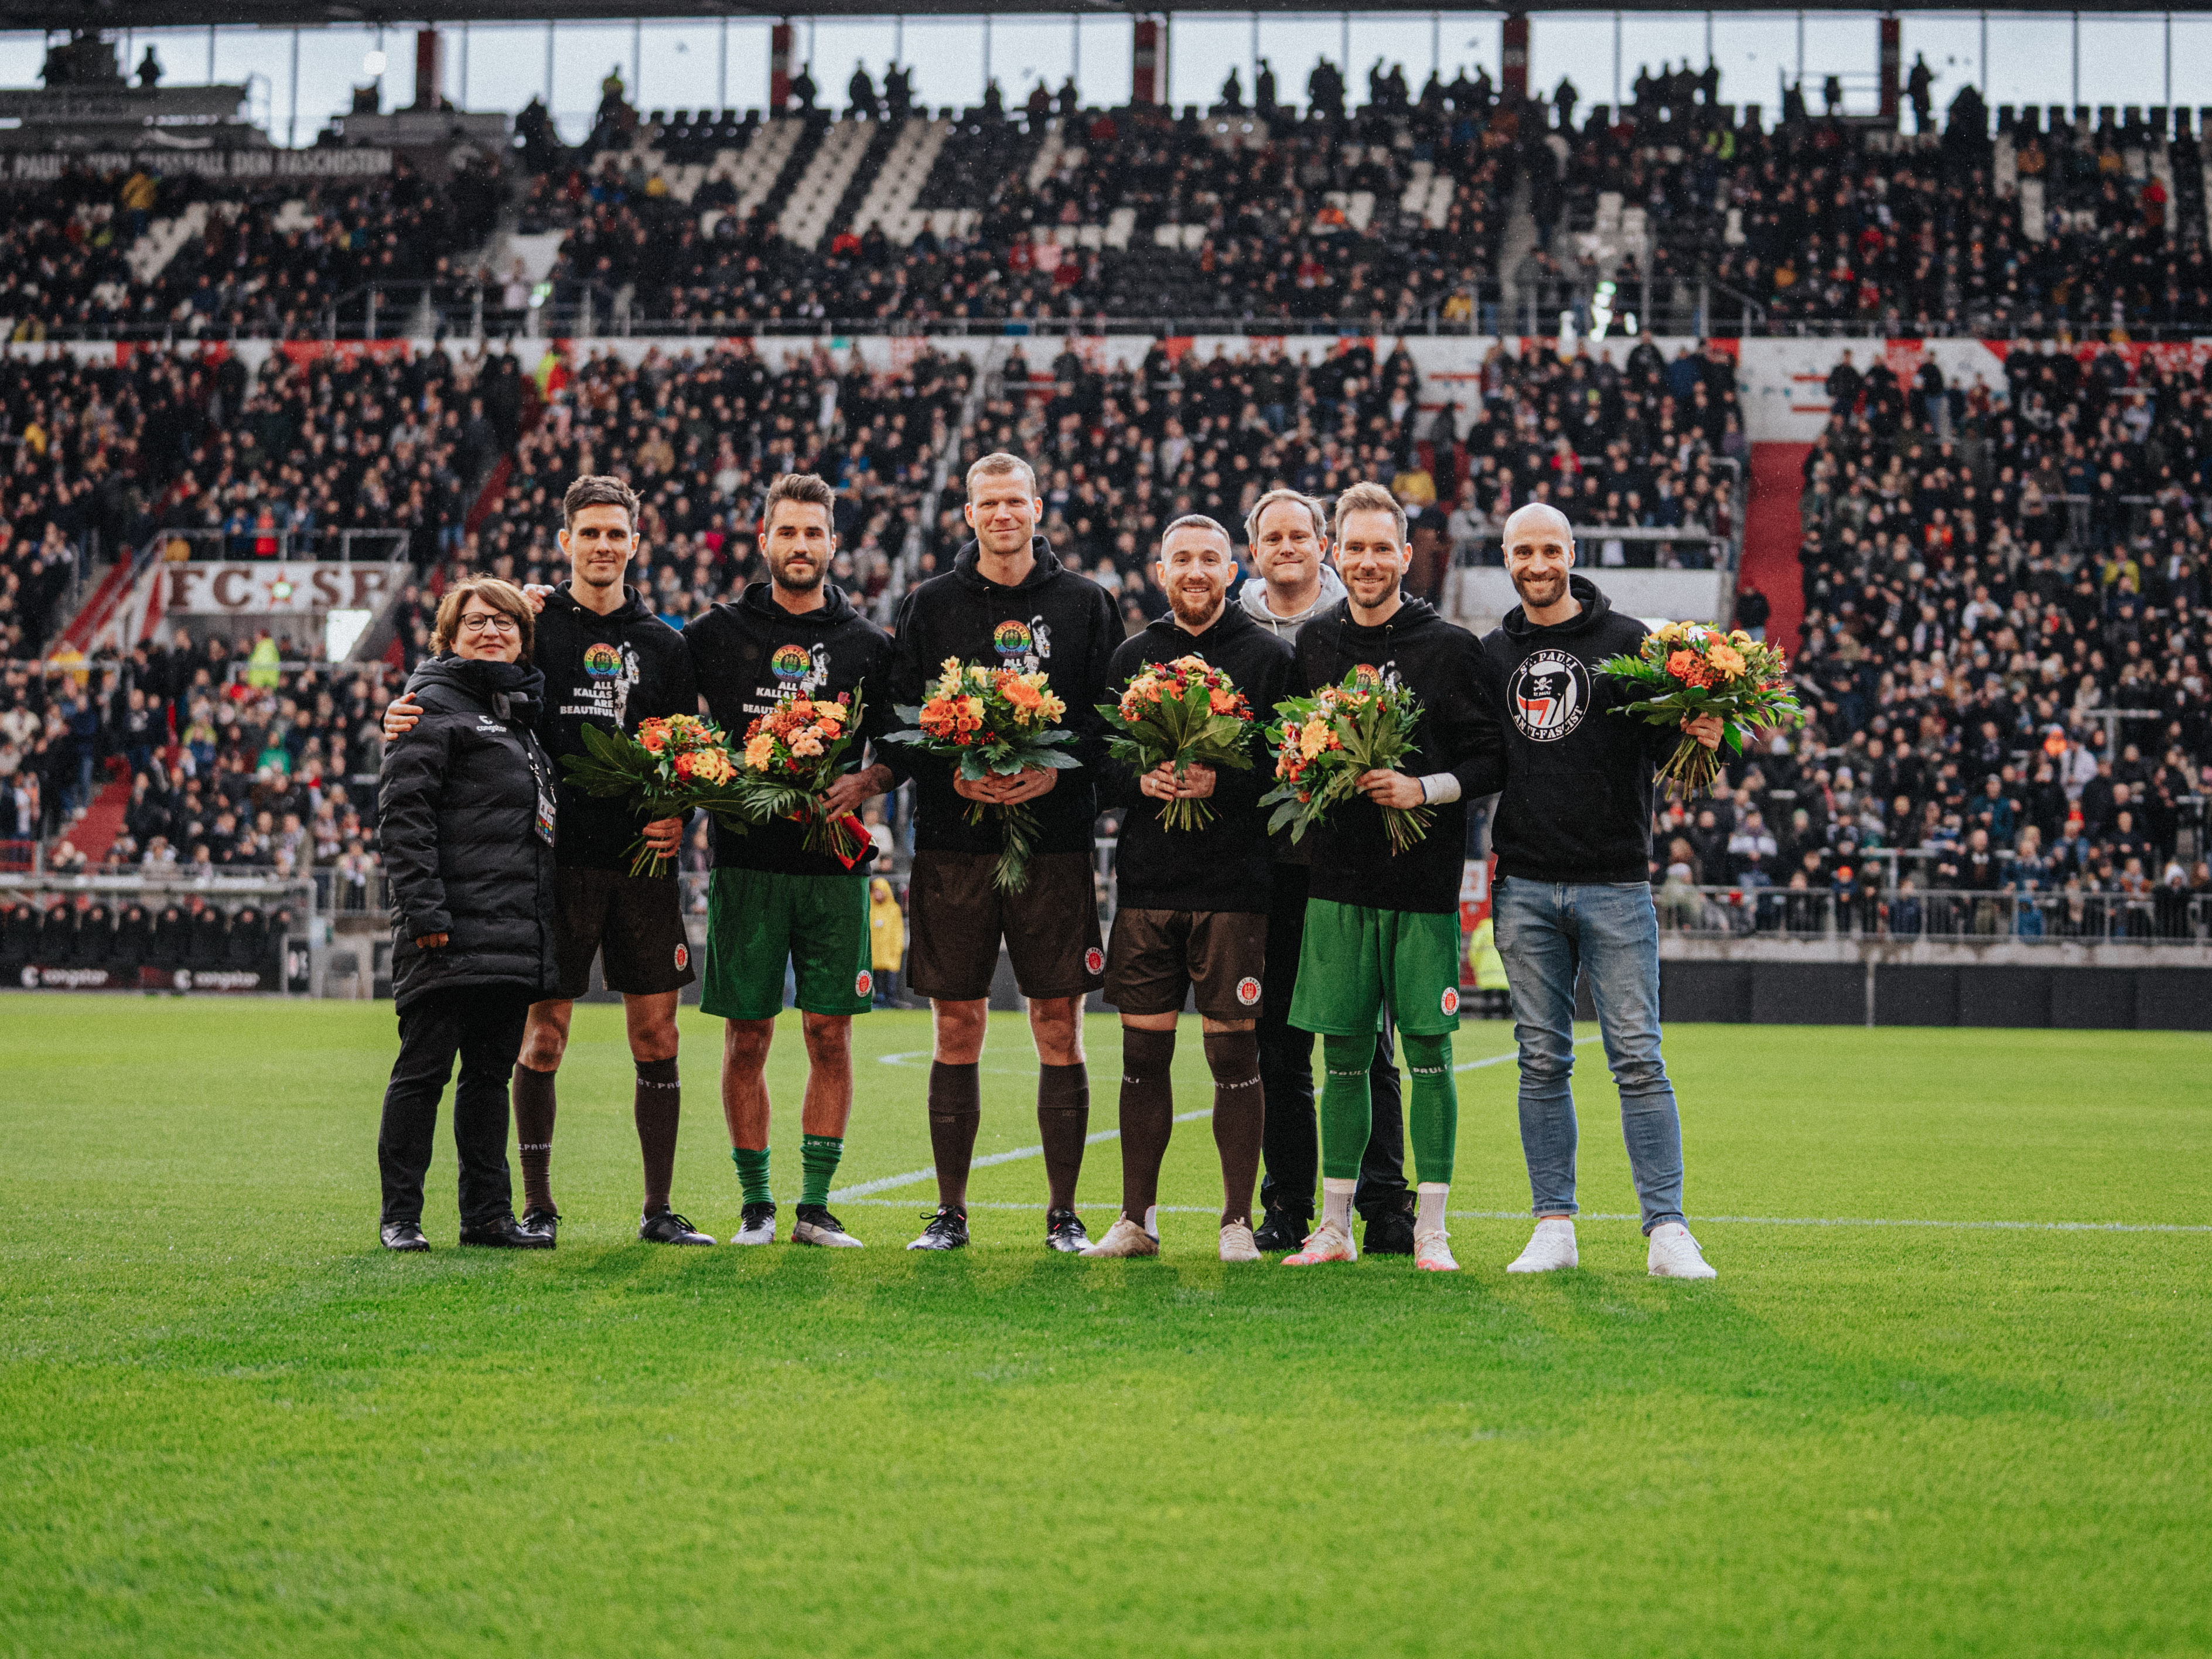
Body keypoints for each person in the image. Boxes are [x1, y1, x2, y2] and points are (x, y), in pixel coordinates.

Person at [383, 476, 711, 1248]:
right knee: (541, 1038)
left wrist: (681, 810)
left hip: (641, 866)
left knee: (658, 1036)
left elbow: (692, 751)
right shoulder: (535, 627)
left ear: (636, 543)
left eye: (616, 534)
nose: (603, 546)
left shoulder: (667, 645)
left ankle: (657, 1209)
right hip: (552, 867)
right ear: (565, 540)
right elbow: (468, 685)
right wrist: (405, 706)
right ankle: (535, 1206)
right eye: (588, 533)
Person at [887, 451, 1122, 1252]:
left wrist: (1048, 779)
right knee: (957, 1028)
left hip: (1053, 846)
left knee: (1059, 1027)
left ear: (1037, 507)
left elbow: (1109, 725)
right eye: (988, 503)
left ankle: (1064, 1215)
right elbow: (902, 724)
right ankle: (949, 1214)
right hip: (953, 848)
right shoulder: (929, 606)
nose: (1002, 515)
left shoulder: (1088, 604)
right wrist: (955, 770)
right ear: (967, 513)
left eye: (1015, 501)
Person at [1480, 503, 1721, 1280]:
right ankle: (1554, 1225)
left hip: (1616, 883)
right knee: (1541, 1062)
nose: (1538, 561)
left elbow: (1676, 752)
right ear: (1507, 559)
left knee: (1639, 1059)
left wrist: (1705, 736)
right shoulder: (1491, 656)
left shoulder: (1630, 645)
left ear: (1572, 553)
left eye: (1551, 548)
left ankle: (1667, 1230)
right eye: (1524, 550)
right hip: (1524, 888)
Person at [1279, 482, 1502, 1274]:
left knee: (1430, 1053)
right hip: (1337, 883)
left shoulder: (1450, 648)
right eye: (1356, 547)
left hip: (1421, 888)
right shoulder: (1314, 645)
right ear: (1335, 552)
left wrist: (1422, 789)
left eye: (1384, 549)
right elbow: (1296, 750)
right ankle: (1332, 1227)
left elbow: (1489, 760)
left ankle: (1431, 1229)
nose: (1368, 562)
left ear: (1407, 557)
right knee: (1341, 1056)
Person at [684, 472, 895, 1250]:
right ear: (764, 540)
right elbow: (671, 728)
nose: (800, 546)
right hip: (744, 866)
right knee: (747, 1039)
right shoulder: (713, 636)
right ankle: (755, 1206)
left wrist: (869, 778)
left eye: (814, 533)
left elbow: (903, 745)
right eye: (787, 532)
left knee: (830, 1037)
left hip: (834, 871)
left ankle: (813, 1207)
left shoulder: (870, 646)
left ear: (834, 544)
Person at [1081, 514, 1293, 1262]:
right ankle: (1135, 1219)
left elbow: (1286, 770)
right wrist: (1140, 778)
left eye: (1210, 558)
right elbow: (1098, 767)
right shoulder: (1133, 656)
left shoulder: (1267, 657)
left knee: (1233, 1056)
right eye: (1182, 559)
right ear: (1160, 571)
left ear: (1233, 571)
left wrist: (1221, 780)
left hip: (1235, 890)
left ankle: (1236, 1222)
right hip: (1146, 887)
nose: (1195, 570)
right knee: (1142, 1058)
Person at [1238, 487, 1414, 1254]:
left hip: (1352, 868)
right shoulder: (1234, 632)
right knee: (1278, 1046)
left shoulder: (1373, 627)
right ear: (1256, 551)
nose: (1287, 547)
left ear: (1324, 546)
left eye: (1299, 535)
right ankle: (1286, 1204)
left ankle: (1386, 1206)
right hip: (1268, 870)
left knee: (1366, 1045)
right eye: (1272, 536)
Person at [374, 578, 559, 1252]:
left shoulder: (517, 715)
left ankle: (487, 1216)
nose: (492, 632)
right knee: (423, 1072)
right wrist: (425, 912)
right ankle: (402, 1217)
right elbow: (403, 817)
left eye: (506, 623)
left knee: (487, 1079)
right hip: (447, 930)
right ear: (447, 637)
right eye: (477, 622)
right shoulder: (427, 707)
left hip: (510, 934)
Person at [869, 878, 906, 1006]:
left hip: (889, 950)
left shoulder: (894, 909)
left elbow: (898, 930)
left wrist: (897, 948)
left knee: (890, 977)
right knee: (876, 977)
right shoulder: (870, 908)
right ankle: (878, 999)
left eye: (880, 891)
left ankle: (890, 999)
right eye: (876, 891)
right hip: (875, 950)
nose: (878, 894)